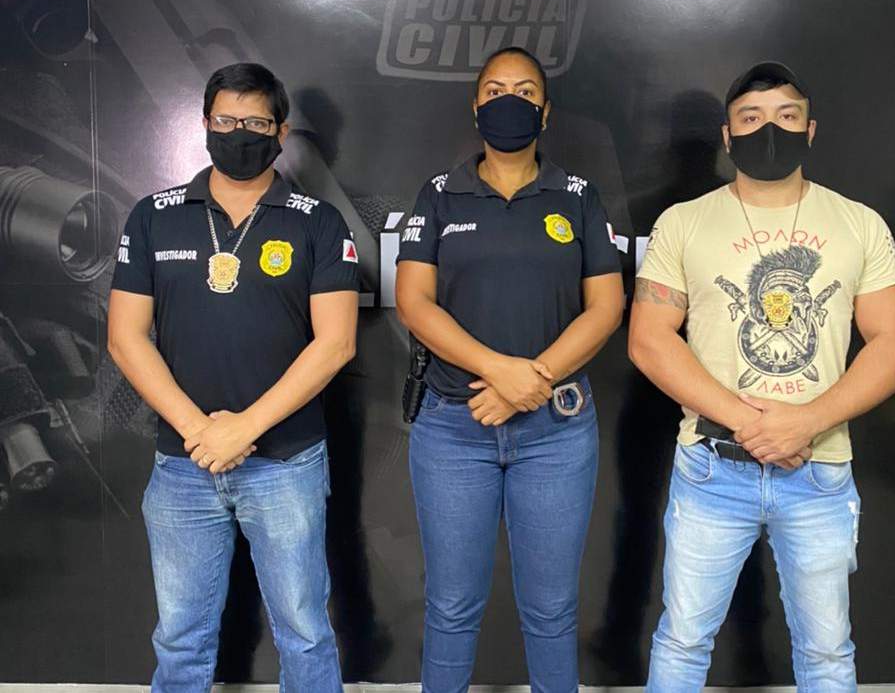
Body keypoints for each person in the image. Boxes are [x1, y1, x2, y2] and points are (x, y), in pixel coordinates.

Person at [630, 61, 895, 691]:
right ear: (727, 136)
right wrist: (751, 423)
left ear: (810, 130)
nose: (770, 129)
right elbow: (649, 341)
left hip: (819, 471)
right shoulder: (683, 222)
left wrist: (807, 421)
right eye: (751, 117)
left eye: (787, 116)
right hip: (711, 468)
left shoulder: (859, 223)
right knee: (682, 641)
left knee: (827, 653)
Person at [107, 62, 359, 693]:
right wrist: (200, 431)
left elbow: (336, 343)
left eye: (255, 123)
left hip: (286, 461)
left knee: (304, 629)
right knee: (180, 635)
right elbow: (125, 337)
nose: (238, 133)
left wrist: (242, 428)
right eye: (225, 120)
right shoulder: (154, 216)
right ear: (204, 124)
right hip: (183, 463)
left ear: (281, 131)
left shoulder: (317, 220)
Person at [395, 46, 624, 692]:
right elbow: (414, 302)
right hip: (453, 426)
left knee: (552, 610)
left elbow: (606, 307)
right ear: (476, 106)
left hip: (556, 430)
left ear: (545, 112)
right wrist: (501, 372)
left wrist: (535, 379)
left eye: (525, 92)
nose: (509, 102)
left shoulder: (578, 196)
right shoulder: (439, 195)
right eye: (495, 90)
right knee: (451, 606)